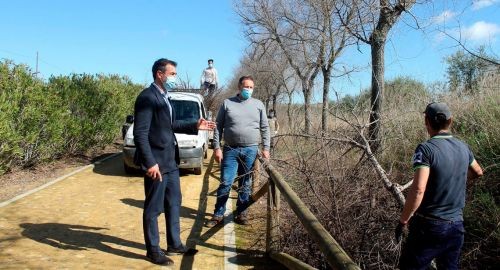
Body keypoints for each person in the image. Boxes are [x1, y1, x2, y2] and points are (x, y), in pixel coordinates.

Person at [134, 58, 215, 265]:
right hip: (157, 164)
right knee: (153, 208)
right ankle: (153, 250)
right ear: (159, 74)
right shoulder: (147, 97)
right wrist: (150, 163)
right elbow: (140, 133)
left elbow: (170, 125)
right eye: (172, 74)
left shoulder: (165, 97)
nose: (174, 78)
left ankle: (174, 243)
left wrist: (195, 124)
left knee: (174, 202)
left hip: (171, 162)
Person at [396, 102, 483, 270]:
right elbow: (478, 171)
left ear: (426, 121)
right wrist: (453, 181)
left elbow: (418, 190)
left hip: (429, 227)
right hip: (456, 226)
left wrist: (403, 221)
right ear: (450, 121)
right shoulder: (463, 147)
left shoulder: (426, 149)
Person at [205, 75, 270, 227]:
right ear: (239, 87)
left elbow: (265, 128)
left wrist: (266, 148)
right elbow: (218, 126)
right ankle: (218, 214)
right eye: (246, 86)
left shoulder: (258, 105)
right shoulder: (227, 103)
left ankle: (242, 213)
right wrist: (216, 148)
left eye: (251, 87)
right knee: (226, 182)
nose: (248, 89)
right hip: (230, 150)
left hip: (250, 150)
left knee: (245, 183)